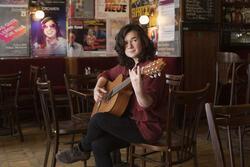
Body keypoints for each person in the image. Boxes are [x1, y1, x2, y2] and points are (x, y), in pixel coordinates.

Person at [56, 23, 167, 167]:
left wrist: (138, 88)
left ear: (143, 41)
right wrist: (98, 87)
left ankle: (81, 149)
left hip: (146, 129)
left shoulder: (151, 69)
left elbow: (147, 104)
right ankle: (85, 148)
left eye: (134, 40)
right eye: (125, 42)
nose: (130, 45)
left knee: (98, 119)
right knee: (98, 145)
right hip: (128, 123)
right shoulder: (127, 66)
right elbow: (106, 74)